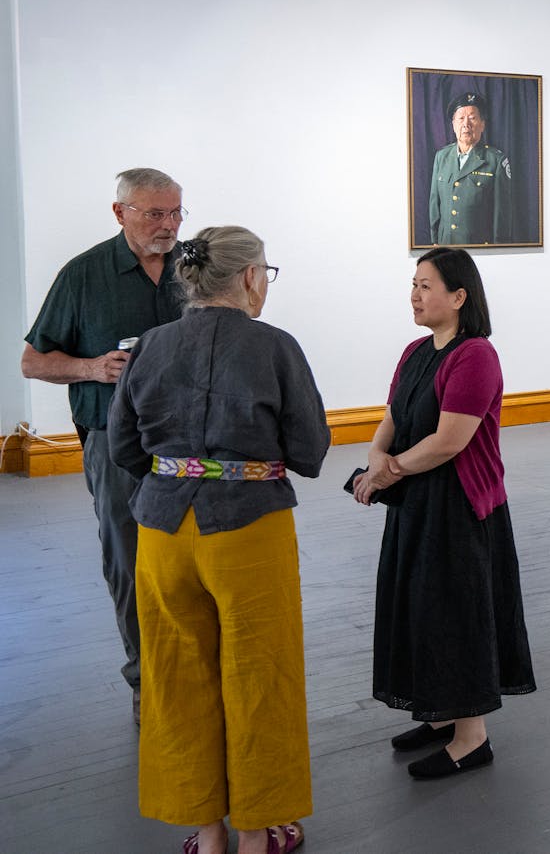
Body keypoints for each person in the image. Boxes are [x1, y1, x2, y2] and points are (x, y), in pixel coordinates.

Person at [107, 226, 329, 854]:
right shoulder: (275, 347)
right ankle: (257, 834)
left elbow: (124, 447)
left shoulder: (150, 345)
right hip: (248, 529)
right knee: (261, 674)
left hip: (163, 531)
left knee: (177, 676)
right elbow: (311, 451)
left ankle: (206, 834)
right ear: (252, 278)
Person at [354, 246, 536, 780]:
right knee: (421, 610)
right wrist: (374, 458)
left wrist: (386, 472)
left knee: (456, 614)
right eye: (413, 283)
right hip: (416, 501)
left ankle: (471, 737)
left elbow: (449, 441)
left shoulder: (475, 355)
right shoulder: (416, 352)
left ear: (459, 297)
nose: (415, 293)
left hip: (458, 506)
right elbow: (392, 417)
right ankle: (439, 715)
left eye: (426, 285)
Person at [20, 167, 188, 724]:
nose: (168, 226)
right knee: (129, 558)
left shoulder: (197, 268)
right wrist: (93, 367)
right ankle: (147, 680)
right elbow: (33, 361)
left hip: (195, 443)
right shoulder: (83, 276)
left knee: (193, 560)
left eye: (175, 212)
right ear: (120, 213)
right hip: (117, 446)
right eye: (154, 214)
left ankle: (192, 674)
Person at [428, 92, 514, 245]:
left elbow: (502, 216)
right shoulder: (441, 157)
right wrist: (435, 241)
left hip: (479, 248)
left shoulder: (496, 160)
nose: (466, 124)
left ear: (482, 124)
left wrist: (499, 250)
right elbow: (435, 204)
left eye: (472, 118)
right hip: (445, 246)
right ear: (453, 125)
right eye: (461, 118)